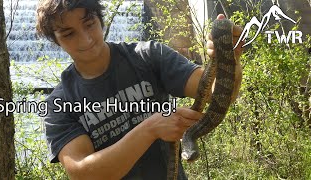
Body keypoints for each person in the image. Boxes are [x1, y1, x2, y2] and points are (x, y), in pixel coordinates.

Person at [36, 0, 244, 179]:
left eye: (89, 24)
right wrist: (150, 129)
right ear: (56, 41)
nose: (85, 39)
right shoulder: (59, 104)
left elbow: (220, 94)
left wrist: (230, 57)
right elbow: (83, 174)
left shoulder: (148, 57)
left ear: (100, 20)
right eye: (69, 34)